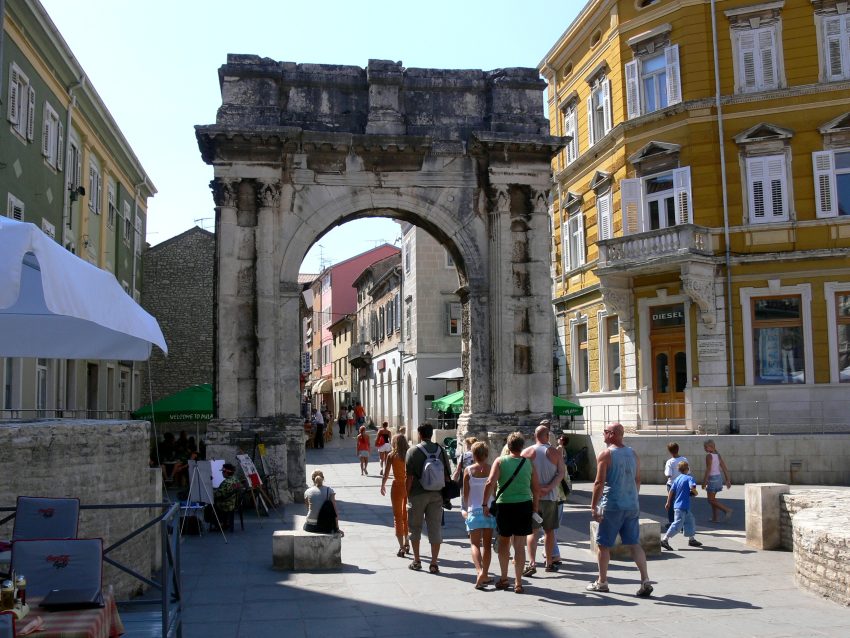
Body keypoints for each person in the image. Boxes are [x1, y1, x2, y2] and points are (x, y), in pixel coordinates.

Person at [587, 422, 653, 597]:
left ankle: (602, 582)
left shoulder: (606, 454)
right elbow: (638, 479)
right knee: (634, 543)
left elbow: (599, 482)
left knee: (603, 545)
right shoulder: (633, 453)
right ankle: (645, 579)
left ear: (612, 434)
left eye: (605, 431)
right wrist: (632, 496)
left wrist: (594, 506)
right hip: (631, 504)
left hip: (612, 505)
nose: (603, 434)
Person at [482, 431, 539, 594]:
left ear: (507, 445)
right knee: (519, 546)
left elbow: (490, 482)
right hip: (524, 505)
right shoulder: (528, 463)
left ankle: (505, 578)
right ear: (522, 446)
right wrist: (535, 507)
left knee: (504, 543)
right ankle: (519, 583)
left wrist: (485, 503)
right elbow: (536, 488)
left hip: (505, 505)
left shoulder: (500, 461)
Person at [405, 422, 452, 573]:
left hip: (417, 494)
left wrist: (407, 495)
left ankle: (417, 560)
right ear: (431, 434)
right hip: (436, 494)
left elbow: (409, 478)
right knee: (435, 528)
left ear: (419, 434)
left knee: (415, 527)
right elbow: (446, 476)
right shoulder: (441, 450)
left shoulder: (412, 451)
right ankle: (433, 563)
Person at [521, 421, 566, 575]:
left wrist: (534, 489)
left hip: (532, 497)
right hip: (550, 497)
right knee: (549, 531)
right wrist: (549, 487)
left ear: (534, 436)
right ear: (547, 436)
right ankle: (549, 562)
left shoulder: (526, 452)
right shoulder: (554, 452)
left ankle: (532, 562)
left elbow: (521, 475)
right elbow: (561, 473)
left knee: (532, 531)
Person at [462, 441, 496, 589]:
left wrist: (465, 509)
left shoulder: (468, 471)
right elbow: (495, 491)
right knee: (487, 545)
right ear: (487, 454)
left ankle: (479, 571)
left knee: (474, 544)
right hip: (489, 510)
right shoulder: (492, 469)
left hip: (474, 510)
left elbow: (465, 494)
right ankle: (486, 573)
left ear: (473, 455)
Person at [661, 460, 702, 551]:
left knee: (690, 520)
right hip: (682, 506)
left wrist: (668, 502)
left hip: (680, 505)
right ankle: (665, 539)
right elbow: (692, 488)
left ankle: (691, 539)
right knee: (678, 524)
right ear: (687, 468)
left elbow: (671, 491)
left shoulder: (677, 479)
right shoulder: (689, 478)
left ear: (679, 469)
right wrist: (695, 493)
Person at [380, 433, 410, 556]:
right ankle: (407, 541)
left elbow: (386, 473)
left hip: (397, 486)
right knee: (406, 516)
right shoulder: (409, 455)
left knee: (397, 517)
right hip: (408, 486)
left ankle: (401, 546)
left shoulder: (392, 456)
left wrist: (383, 485)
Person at [550, 433, 571, 566]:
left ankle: (552, 553)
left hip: (551, 496)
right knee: (553, 528)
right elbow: (565, 477)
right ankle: (552, 553)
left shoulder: (552, 457)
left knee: (550, 528)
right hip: (558, 497)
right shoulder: (560, 460)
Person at [303, 469, 343, 535]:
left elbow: (308, 508)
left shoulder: (307, 491)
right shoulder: (329, 491)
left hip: (310, 526)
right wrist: (337, 528)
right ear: (323, 478)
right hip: (324, 526)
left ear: (312, 479)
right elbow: (334, 511)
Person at [702, 439, 733, 522]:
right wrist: (728, 480)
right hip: (718, 478)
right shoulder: (718, 455)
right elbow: (724, 468)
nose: (704, 448)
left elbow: (708, 470)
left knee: (710, 500)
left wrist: (704, 482)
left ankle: (727, 510)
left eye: (705, 447)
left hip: (712, 479)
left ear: (711, 447)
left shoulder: (709, 456)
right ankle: (715, 518)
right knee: (713, 499)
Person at [663, 442, 688, 529]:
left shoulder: (670, 462)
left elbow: (668, 474)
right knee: (681, 504)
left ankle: (672, 522)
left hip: (672, 485)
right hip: (683, 485)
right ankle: (682, 522)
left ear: (669, 451)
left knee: (670, 503)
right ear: (678, 449)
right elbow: (688, 472)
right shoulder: (684, 459)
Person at [211, 462, 242, 531]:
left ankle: (219, 524)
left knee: (210, 506)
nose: (222, 473)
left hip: (227, 504)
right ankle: (225, 522)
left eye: (223, 472)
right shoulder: (236, 479)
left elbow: (218, 495)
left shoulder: (226, 482)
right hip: (235, 503)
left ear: (226, 472)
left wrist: (211, 492)